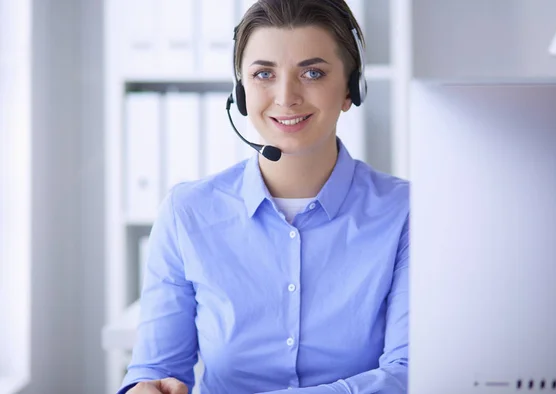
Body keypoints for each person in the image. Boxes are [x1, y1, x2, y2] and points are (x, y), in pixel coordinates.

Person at [119, 0, 409, 393]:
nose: (286, 96)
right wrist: (145, 388)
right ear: (241, 93)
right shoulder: (187, 213)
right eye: (263, 74)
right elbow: (155, 368)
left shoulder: (404, 212)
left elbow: (408, 374)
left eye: (312, 72)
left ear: (351, 88)